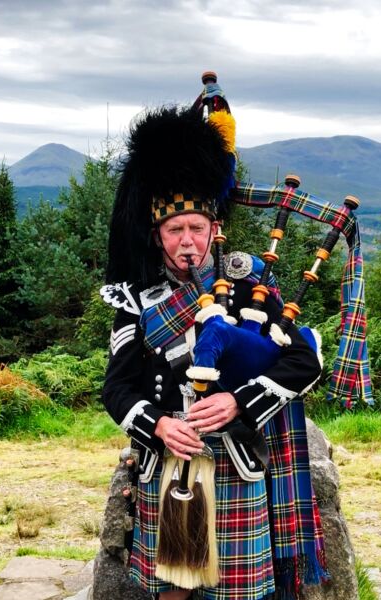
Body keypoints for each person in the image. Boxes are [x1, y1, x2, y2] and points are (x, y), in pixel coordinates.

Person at [100, 100, 329, 600]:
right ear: (157, 235)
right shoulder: (136, 301)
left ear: (213, 230)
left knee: (237, 594)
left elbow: (305, 361)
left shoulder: (250, 288)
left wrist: (238, 402)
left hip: (237, 459)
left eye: (197, 229)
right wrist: (159, 426)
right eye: (175, 230)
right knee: (172, 592)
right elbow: (116, 390)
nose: (188, 242)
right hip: (169, 461)